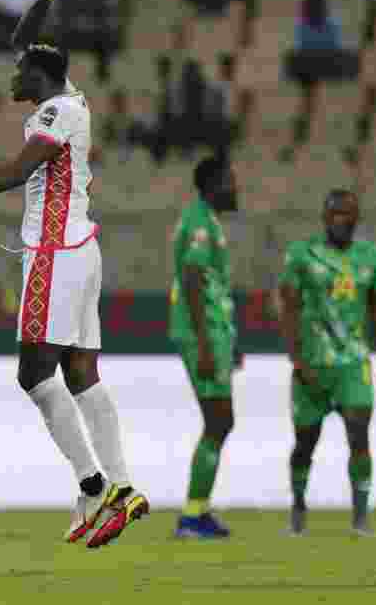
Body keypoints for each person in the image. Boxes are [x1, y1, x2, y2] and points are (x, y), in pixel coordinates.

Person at [0, 0, 148, 550]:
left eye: (19, 69)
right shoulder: (62, 97)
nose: (11, 73)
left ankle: (94, 483)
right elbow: (22, 40)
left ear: (38, 75)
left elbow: (17, 170)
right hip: (79, 250)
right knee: (81, 373)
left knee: (34, 372)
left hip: (56, 254)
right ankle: (122, 487)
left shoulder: (60, 113)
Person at [278, 189, 376, 537]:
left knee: (359, 436)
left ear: (357, 219)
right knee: (305, 443)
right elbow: (289, 307)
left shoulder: (372, 256)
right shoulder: (302, 254)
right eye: (336, 214)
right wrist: (296, 359)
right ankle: (298, 507)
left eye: (349, 214)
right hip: (312, 365)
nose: (342, 220)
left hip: (354, 363)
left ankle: (361, 517)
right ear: (325, 218)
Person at [169, 158, 240, 539]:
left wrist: (229, 342)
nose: (236, 189)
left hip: (215, 333)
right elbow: (194, 281)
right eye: (230, 181)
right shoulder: (199, 223)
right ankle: (192, 517)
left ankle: (197, 512)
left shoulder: (207, 220)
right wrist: (207, 346)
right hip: (203, 335)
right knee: (218, 420)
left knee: (219, 421)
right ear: (212, 185)